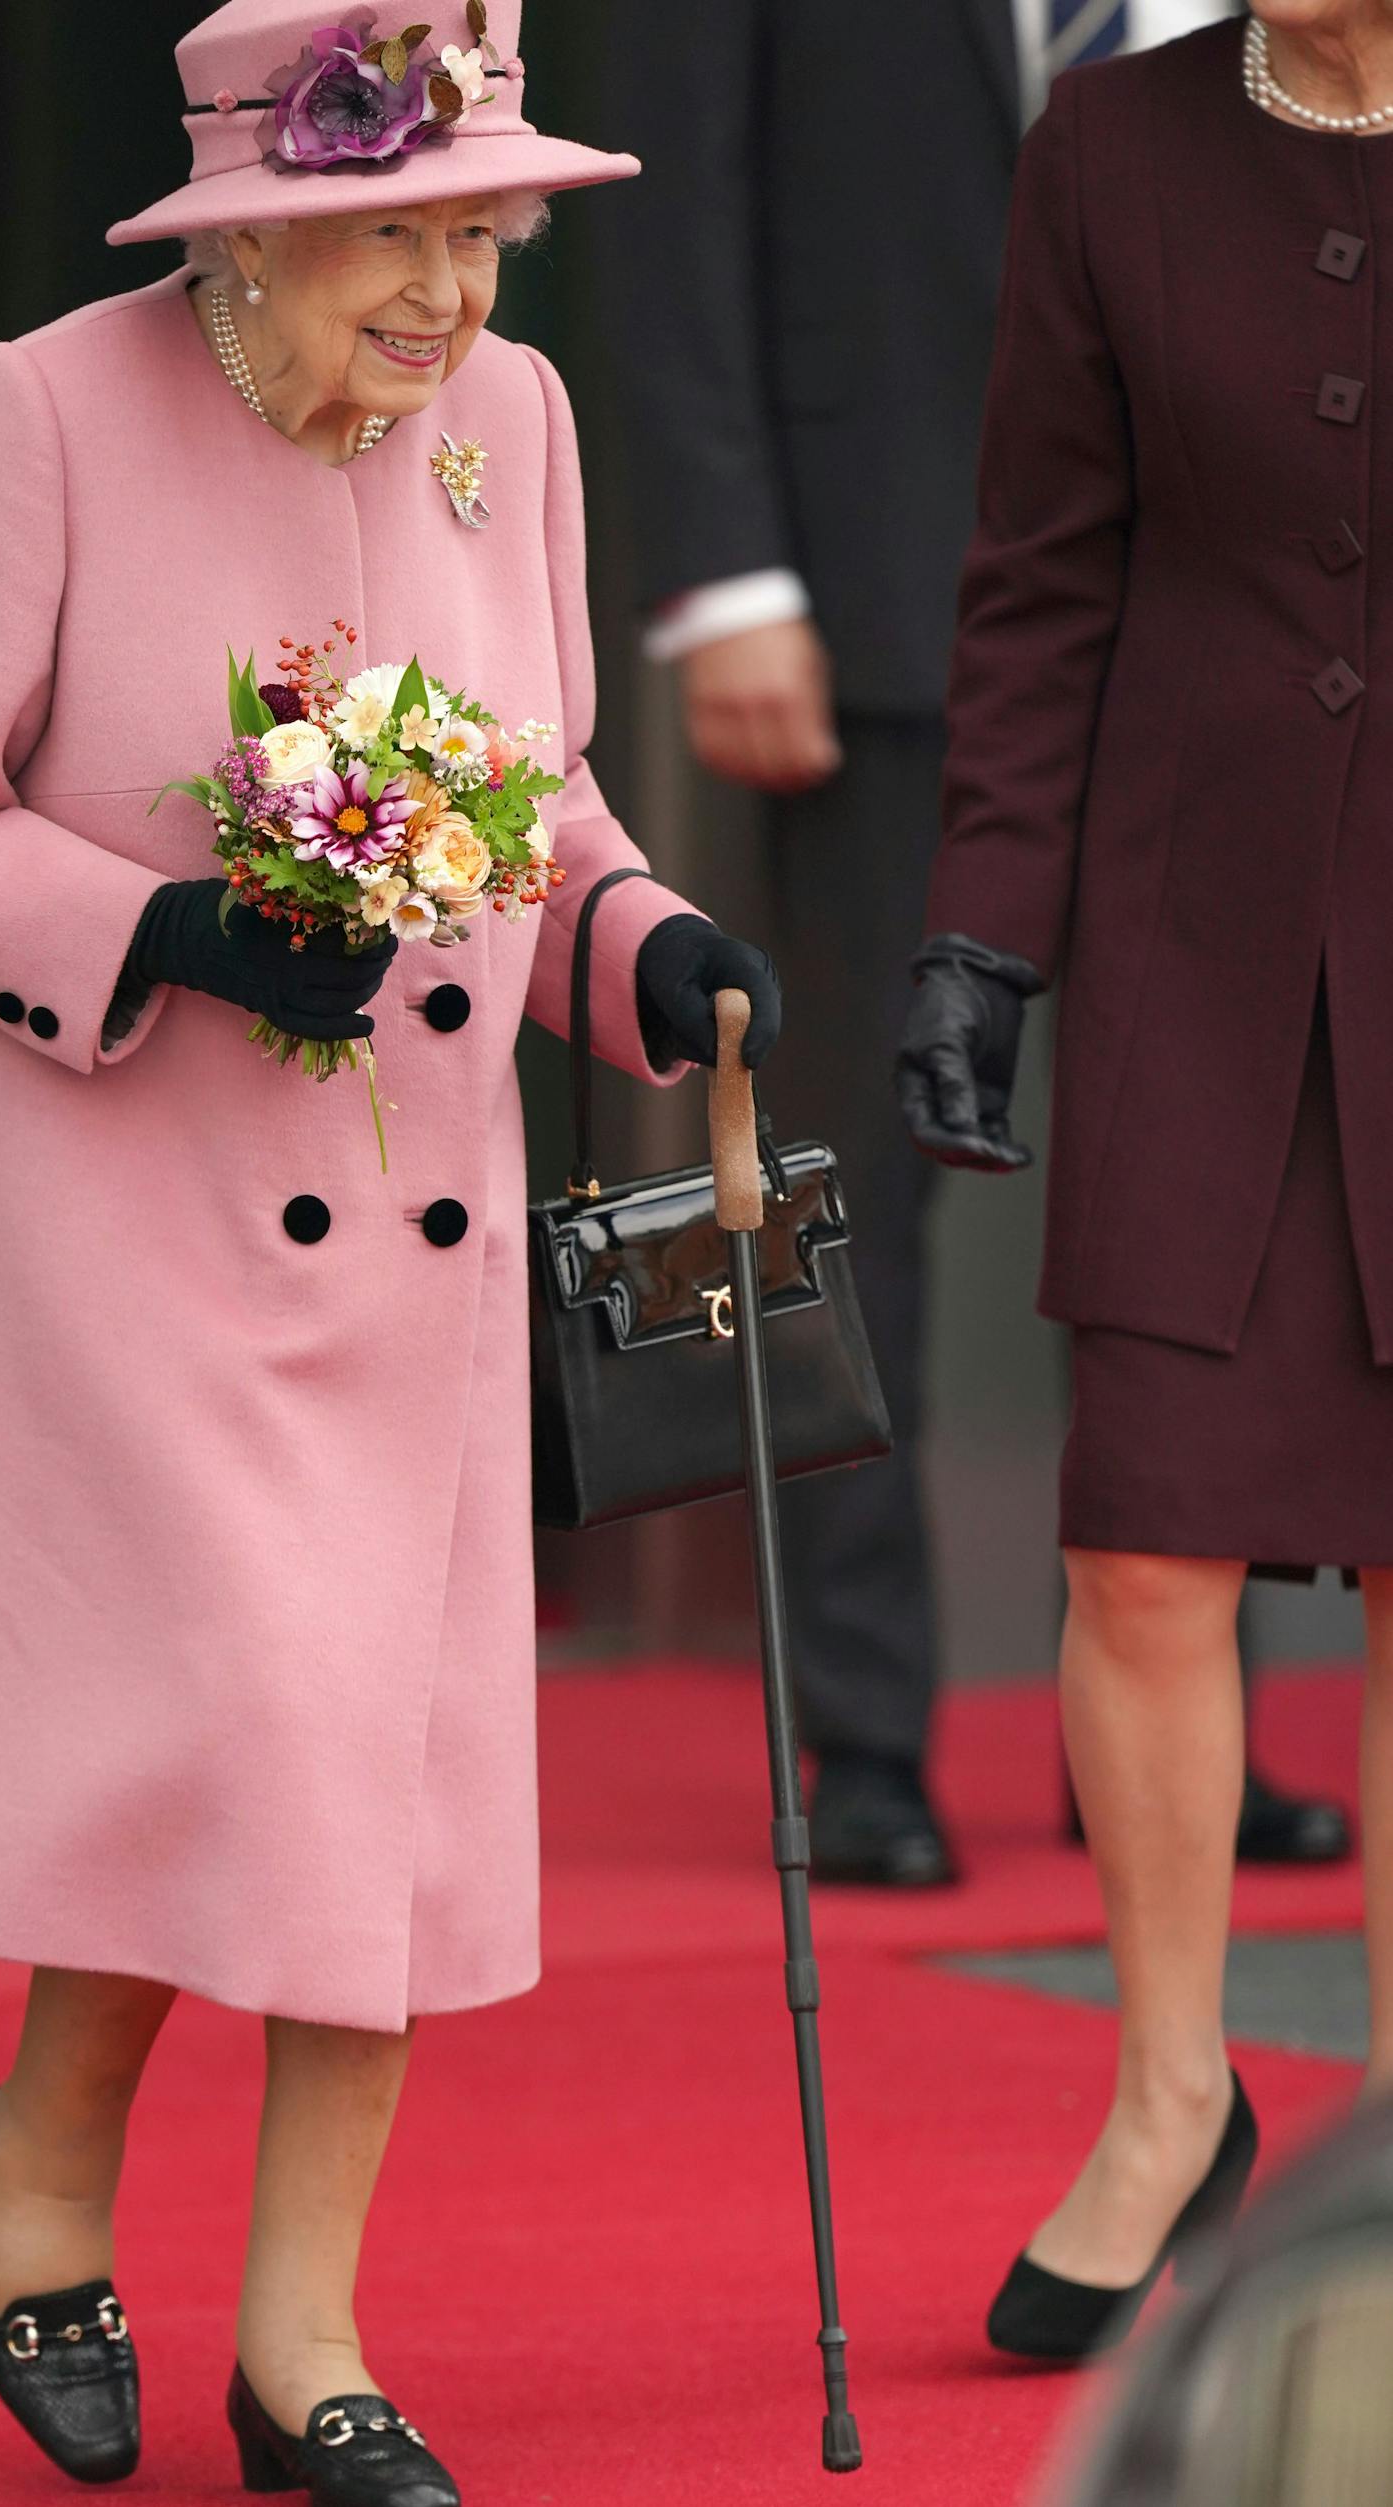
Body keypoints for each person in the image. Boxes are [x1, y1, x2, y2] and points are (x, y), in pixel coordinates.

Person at [0, 2, 780, 2494]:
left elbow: (530, 795)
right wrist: (166, 933)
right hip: (116, 1228)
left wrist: (634, 938)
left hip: (407, 1232)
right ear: (251, 234)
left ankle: (305, 2343)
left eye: (482, 231)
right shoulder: (34, 415)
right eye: (396, 240)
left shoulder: (513, 422)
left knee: (384, 1794)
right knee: (222, 1740)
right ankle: (36, 2152)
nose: (450, 296)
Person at [601, 0, 1341, 1888]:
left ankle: (1181, 1741)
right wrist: (727, 577)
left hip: (1240, 649)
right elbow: (674, 202)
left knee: (1223, 1185)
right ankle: (859, 1732)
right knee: (837, 1171)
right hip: (872, 604)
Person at [898, 3, 1393, 2361]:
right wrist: (981, 933)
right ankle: (1165, 2099)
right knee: (1143, 1534)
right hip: (1196, 941)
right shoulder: (1107, 146)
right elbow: (1038, 572)